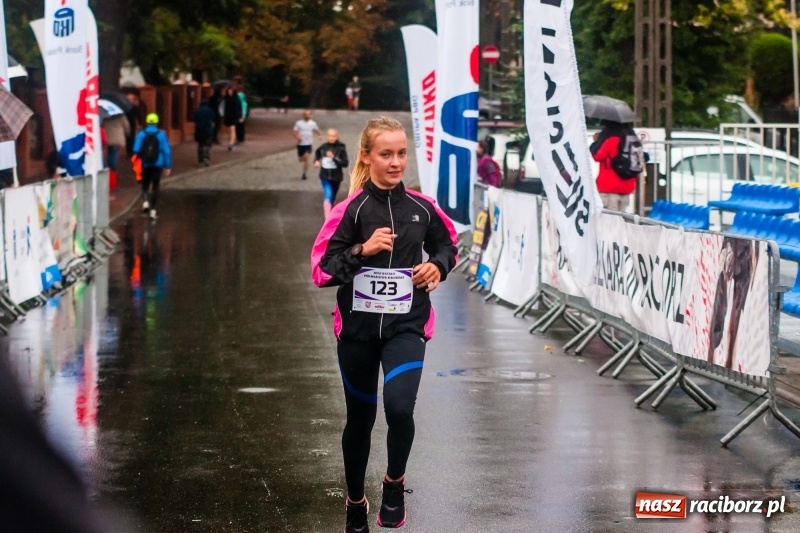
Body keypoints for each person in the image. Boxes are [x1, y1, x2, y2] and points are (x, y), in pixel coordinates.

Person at [310, 117, 458, 532]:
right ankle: (355, 502)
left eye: (401, 154)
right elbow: (321, 271)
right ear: (367, 156)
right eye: (386, 154)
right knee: (360, 418)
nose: (396, 163)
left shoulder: (422, 207)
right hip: (357, 332)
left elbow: (448, 245)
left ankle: (394, 482)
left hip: (406, 327)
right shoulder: (350, 210)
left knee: (398, 407)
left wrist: (437, 267)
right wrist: (362, 248)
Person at [589, 119, 638, 212]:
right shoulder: (632, 140)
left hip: (609, 185)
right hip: (627, 185)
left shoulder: (611, 140)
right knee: (622, 219)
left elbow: (597, 156)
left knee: (609, 220)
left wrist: (596, 142)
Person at [132, 113, 172, 220]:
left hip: (145, 163)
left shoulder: (141, 134)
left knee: (145, 185)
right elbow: (166, 151)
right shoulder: (161, 134)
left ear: (147, 122)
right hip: (157, 164)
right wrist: (167, 166)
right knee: (156, 186)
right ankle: (153, 210)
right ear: (157, 122)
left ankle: (145, 202)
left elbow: (135, 149)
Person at [314, 128, 349, 218]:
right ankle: (327, 218)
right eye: (329, 136)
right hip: (325, 176)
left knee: (332, 198)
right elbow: (317, 153)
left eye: (333, 136)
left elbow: (345, 163)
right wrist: (316, 161)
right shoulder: (323, 147)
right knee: (328, 194)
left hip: (336, 177)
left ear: (337, 137)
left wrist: (333, 158)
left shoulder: (341, 148)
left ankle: (332, 214)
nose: (331, 138)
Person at [103, 114, 130, 191]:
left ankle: (108, 169)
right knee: (114, 156)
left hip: (106, 137)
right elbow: (126, 126)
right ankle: (112, 173)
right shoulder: (121, 116)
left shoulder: (106, 115)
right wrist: (127, 133)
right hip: (116, 138)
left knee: (107, 154)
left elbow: (102, 124)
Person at [293, 109, 322, 180]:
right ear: (303, 115)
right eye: (306, 115)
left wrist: (319, 136)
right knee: (301, 159)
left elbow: (317, 130)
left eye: (308, 115)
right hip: (300, 144)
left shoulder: (313, 123)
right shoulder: (299, 123)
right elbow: (294, 132)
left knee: (307, 158)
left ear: (310, 115)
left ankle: (304, 174)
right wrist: (297, 137)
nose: (307, 116)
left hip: (308, 144)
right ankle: (302, 159)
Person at [194, 99, 216, 166]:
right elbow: (213, 120)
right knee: (207, 145)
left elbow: (195, 120)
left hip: (199, 131)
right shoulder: (209, 111)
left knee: (200, 145)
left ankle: (200, 160)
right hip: (207, 130)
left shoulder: (197, 111)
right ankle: (206, 158)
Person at [222, 86, 243, 151]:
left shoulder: (236, 98)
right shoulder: (225, 98)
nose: (229, 91)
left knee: (232, 129)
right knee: (229, 130)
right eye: (229, 90)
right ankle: (231, 142)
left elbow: (239, 108)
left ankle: (231, 144)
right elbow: (223, 107)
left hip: (234, 116)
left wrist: (240, 117)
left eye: (231, 90)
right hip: (227, 116)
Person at [234, 77, 248, 143]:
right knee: (240, 126)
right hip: (241, 114)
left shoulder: (240, 99)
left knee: (239, 127)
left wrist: (242, 116)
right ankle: (240, 138)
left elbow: (243, 109)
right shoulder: (242, 99)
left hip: (241, 114)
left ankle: (240, 138)